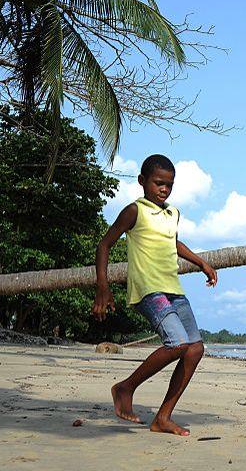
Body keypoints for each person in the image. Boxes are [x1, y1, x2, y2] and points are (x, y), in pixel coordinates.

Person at [92, 154, 218, 437]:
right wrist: (103, 287)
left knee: (195, 349)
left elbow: (172, 242)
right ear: (142, 181)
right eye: (158, 183)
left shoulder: (173, 213)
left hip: (174, 290)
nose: (164, 189)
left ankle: (162, 417)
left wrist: (201, 263)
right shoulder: (134, 211)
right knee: (176, 343)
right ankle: (126, 387)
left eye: (169, 185)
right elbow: (104, 245)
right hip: (149, 291)